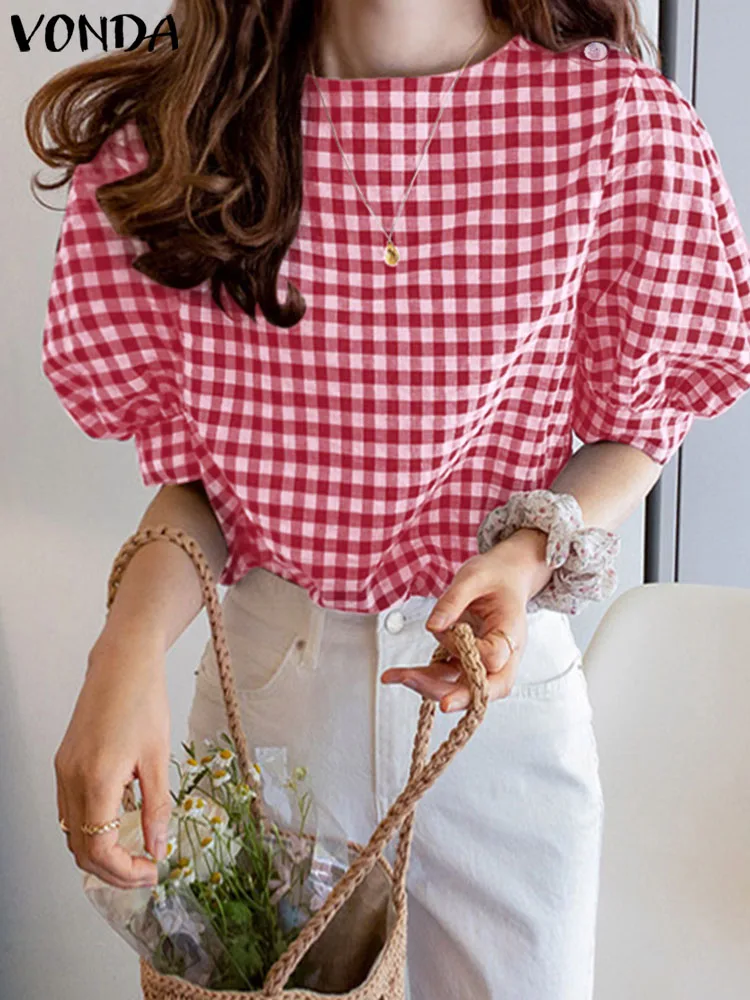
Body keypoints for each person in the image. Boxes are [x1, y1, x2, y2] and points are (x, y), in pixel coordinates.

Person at [30, 1, 750, 997]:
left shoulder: (613, 121)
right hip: (268, 704)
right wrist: (124, 648)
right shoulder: (184, 130)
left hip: (496, 706)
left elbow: (640, 424)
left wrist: (524, 553)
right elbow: (198, 487)